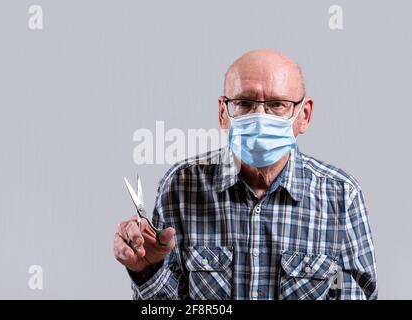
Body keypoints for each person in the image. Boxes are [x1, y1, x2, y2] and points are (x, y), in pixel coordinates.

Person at [114, 49, 378, 300]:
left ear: (303, 115)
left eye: (277, 104)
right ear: (223, 113)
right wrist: (147, 271)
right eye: (244, 103)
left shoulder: (341, 196)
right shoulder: (180, 187)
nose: (260, 116)